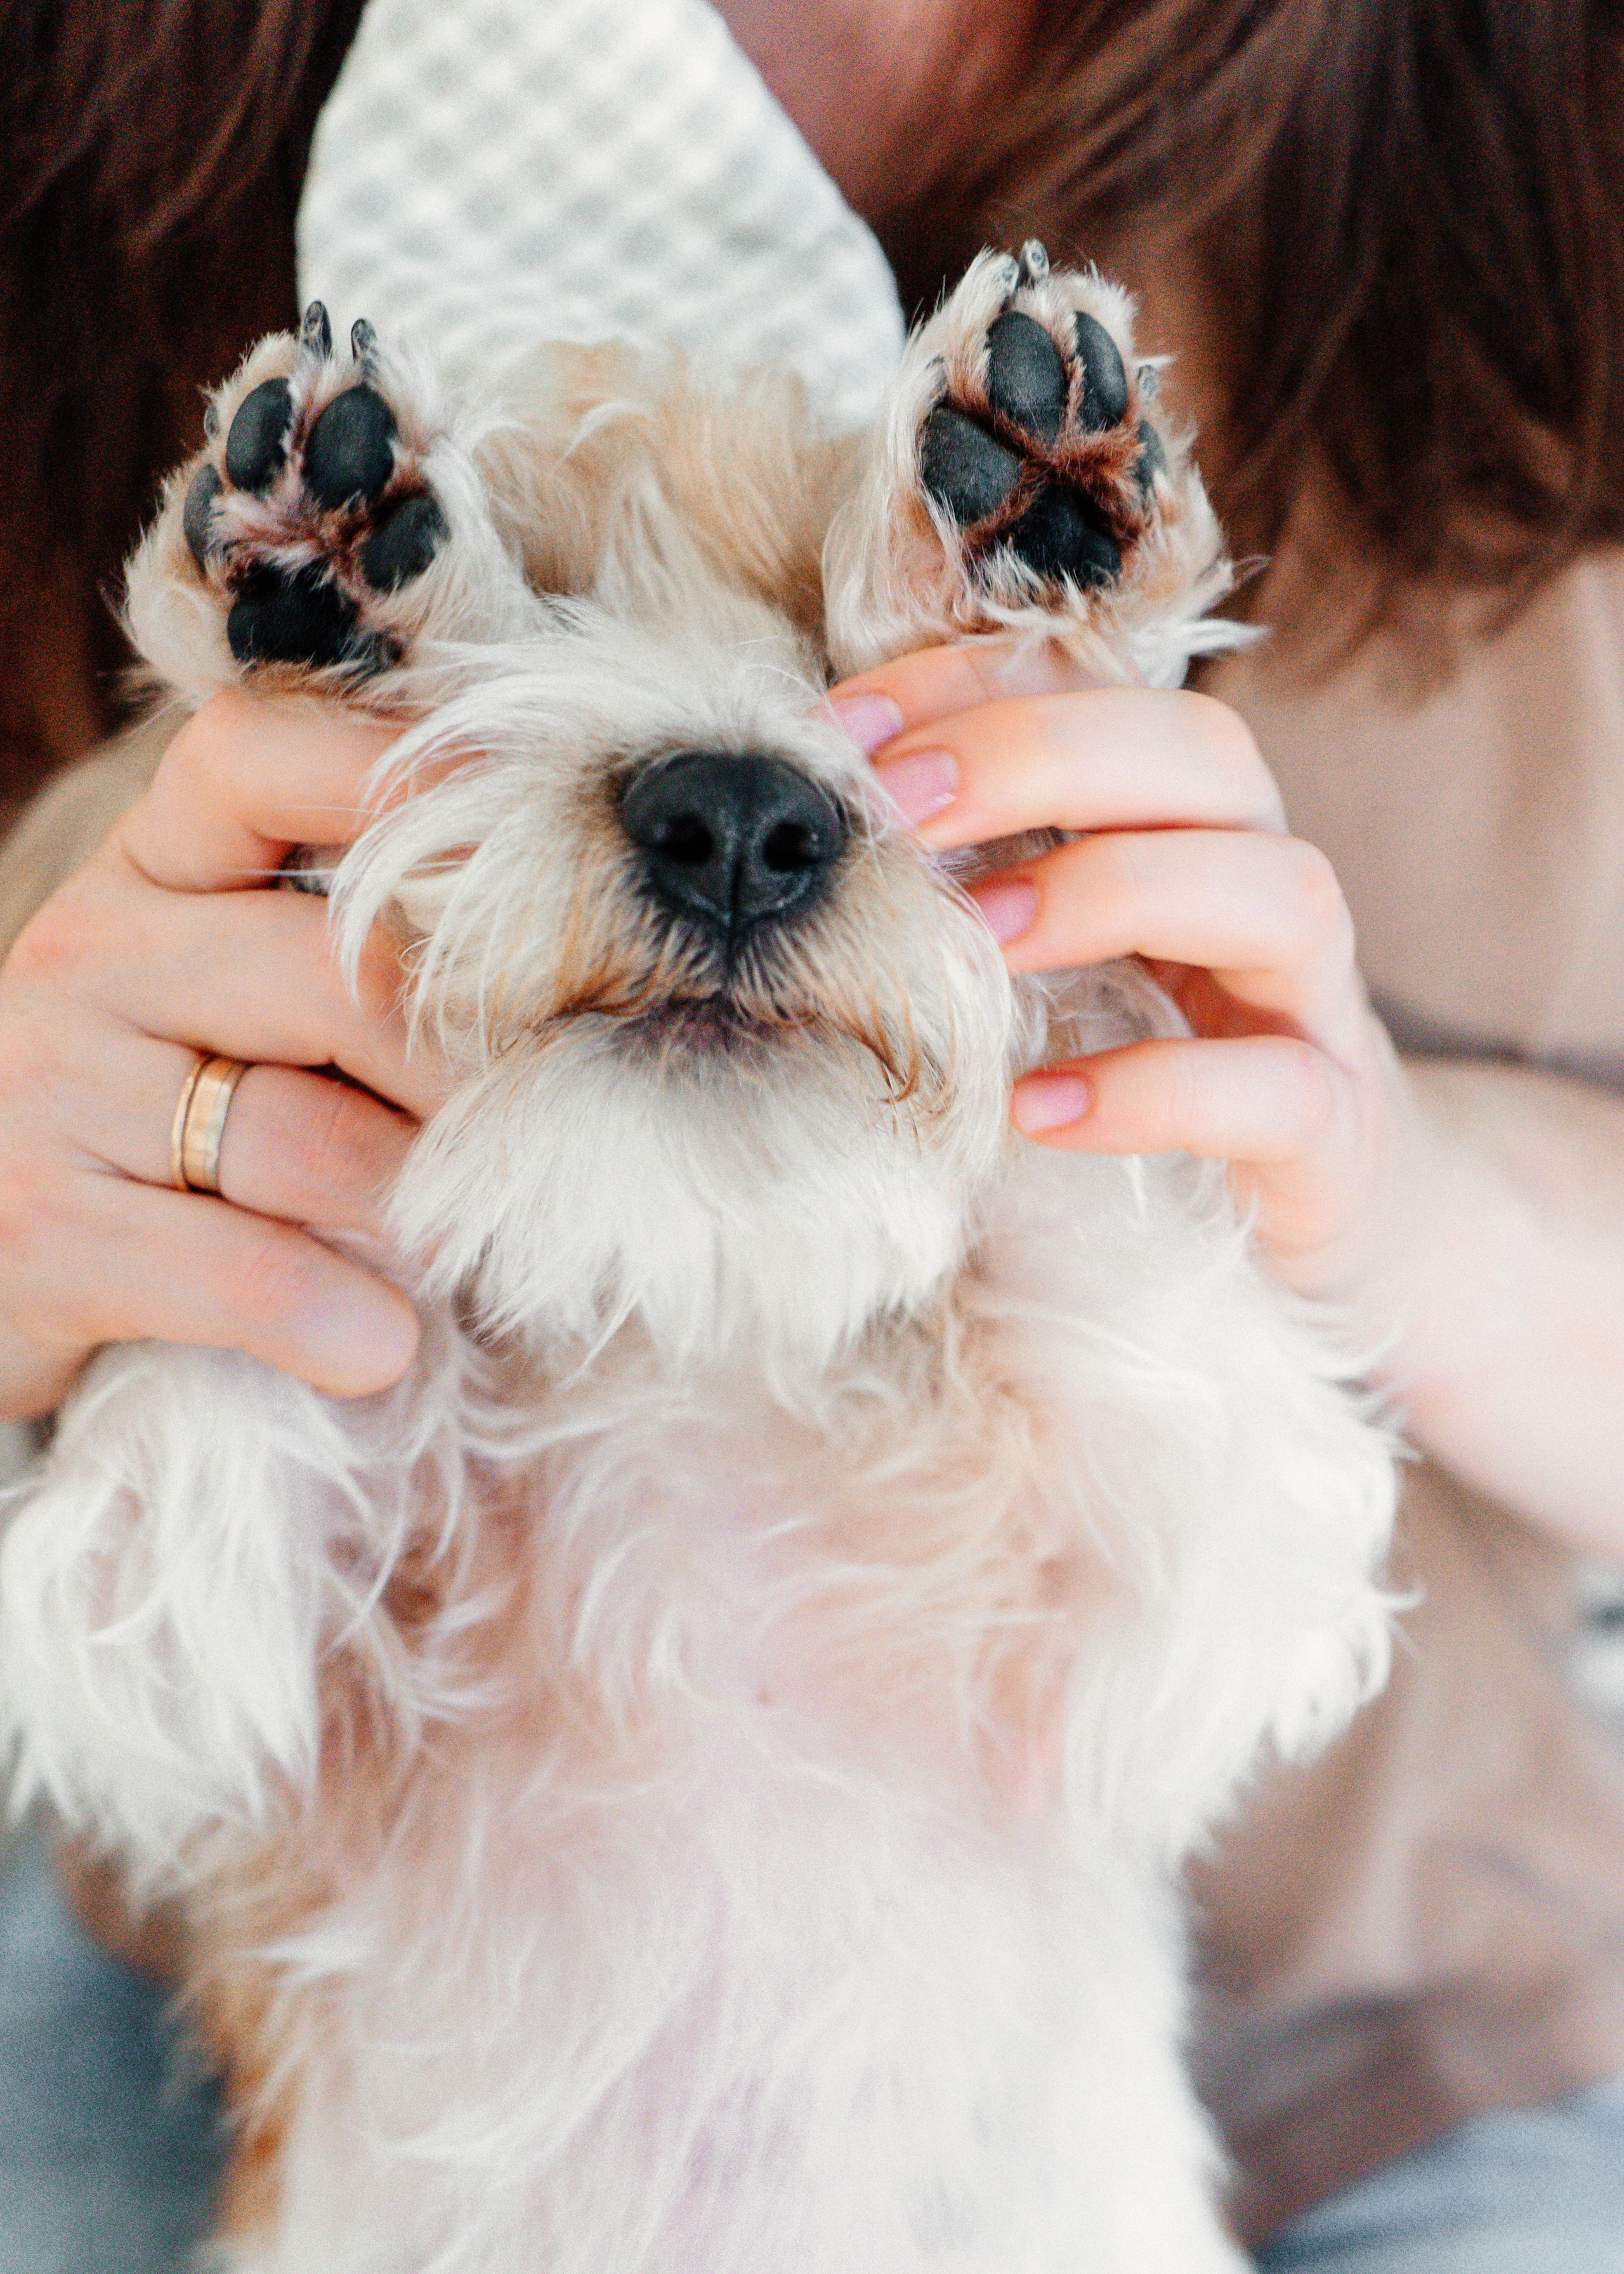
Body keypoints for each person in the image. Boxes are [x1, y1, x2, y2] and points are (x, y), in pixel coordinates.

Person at [0, 1, 1621, 2268]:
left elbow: (1207, 1633)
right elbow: (156, 1700)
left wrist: (1337, 1167)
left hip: (1408, 2033)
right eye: (520, 638)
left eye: (862, 681)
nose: (757, 810)